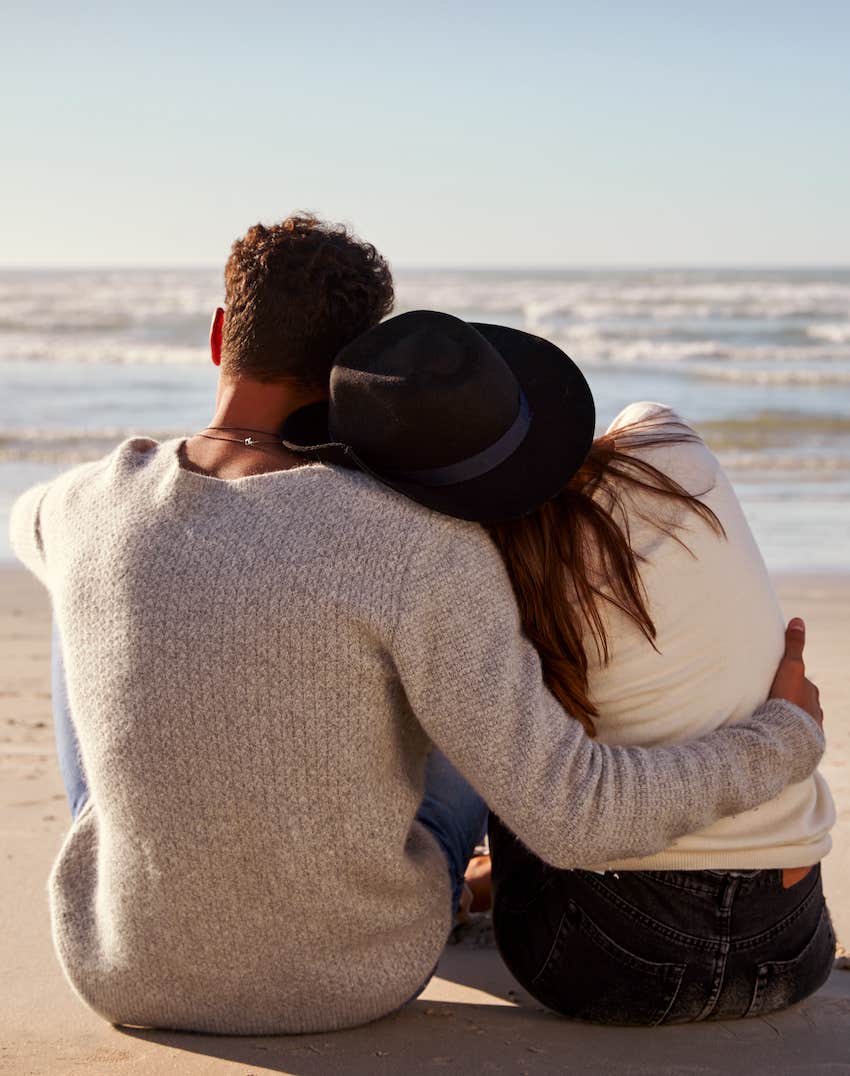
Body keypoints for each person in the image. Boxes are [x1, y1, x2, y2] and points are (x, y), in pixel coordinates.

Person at [11, 229, 823, 1036]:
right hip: (351, 976)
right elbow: (571, 816)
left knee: (82, 586)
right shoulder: (416, 543)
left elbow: (26, 522)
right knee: (445, 666)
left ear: (221, 334)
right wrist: (783, 736)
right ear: (357, 377)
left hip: (126, 968)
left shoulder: (79, 505)